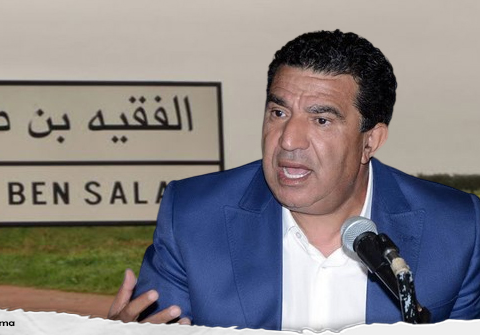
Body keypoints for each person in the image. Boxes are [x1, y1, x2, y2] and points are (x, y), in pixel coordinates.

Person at [107, 30, 480, 331]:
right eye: (278, 112)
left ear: (370, 140)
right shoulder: (193, 218)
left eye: (321, 120)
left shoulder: (457, 230)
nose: (288, 140)